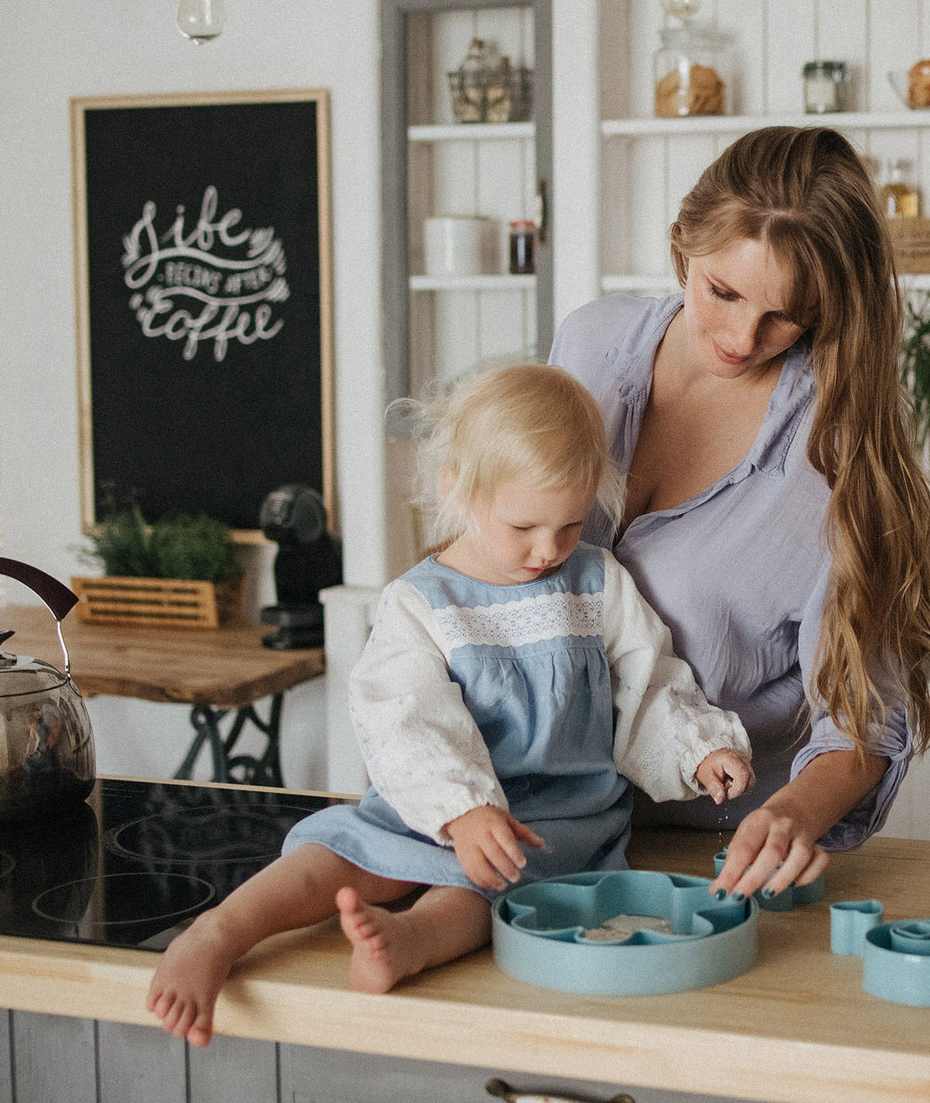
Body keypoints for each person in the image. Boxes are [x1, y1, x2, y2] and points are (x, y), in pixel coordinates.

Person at [147, 364, 755, 1047]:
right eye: (523, 525)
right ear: (457, 490)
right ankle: (219, 931)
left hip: (549, 824)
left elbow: (649, 682)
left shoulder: (595, 585)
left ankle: (409, 941)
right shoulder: (422, 602)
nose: (547, 549)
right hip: (431, 803)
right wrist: (462, 809)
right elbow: (404, 715)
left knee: (485, 893)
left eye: (570, 525)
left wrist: (700, 748)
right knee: (337, 851)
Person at [549, 125, 930, 905]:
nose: (741, 338)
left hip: (707, 862)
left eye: (786, 315)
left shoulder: (836, 459)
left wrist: (793, 814)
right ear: (682, 246)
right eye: (722, 292)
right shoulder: (588, 342)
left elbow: (861, 721)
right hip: (525, 818)